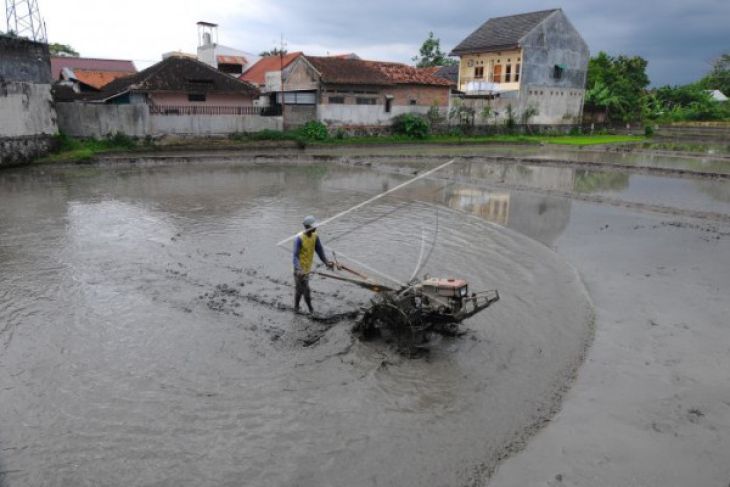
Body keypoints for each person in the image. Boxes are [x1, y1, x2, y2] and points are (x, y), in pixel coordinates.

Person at [292, 215, 333, 314]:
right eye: (313, 226)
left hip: (307, 268)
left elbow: (319, 251)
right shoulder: (299, 238)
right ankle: (311, 310)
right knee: (306, 290)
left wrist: (326, 262)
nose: (315, 227)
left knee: (299, 290)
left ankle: (296, 308)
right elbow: (295, 256)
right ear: (307, 227)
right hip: (300, 270)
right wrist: (298, 269)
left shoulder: (315, 236)